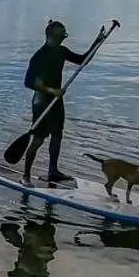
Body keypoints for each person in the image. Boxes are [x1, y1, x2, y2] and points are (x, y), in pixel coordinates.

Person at [21, 19, 106, 187]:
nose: (63, 38)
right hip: (41, 102)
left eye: (64, 35)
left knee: (57, 135)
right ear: (52, 36)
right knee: (38, 139)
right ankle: (25, 175)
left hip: (56, 102)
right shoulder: (39, 56)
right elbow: (29, 82)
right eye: (61, 35)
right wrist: (52, 91)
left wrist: (98, 42)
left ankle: (53, 171)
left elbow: (82, 60)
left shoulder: (61, 51)